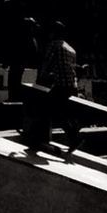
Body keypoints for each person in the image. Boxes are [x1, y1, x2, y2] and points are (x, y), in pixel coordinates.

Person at [26, 21, 81, 156]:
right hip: (72, 86)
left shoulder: (54, 45)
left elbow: (47, 63)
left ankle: (70, 136)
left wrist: (40, 78)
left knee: (47, 109)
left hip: (60, 85)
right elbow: (68, 67)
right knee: (59, 111)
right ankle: (73, 135)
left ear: (54, 33)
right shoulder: (70, 48)